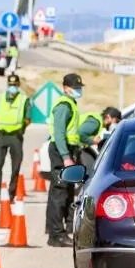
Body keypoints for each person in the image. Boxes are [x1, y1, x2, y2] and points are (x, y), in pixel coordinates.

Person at [46, 73, 84, 247]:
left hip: (68, 150)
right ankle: (56, 235)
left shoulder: (71, 104)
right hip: (62, 151)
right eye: (75, 88)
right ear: (65, 88)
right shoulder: (64, 106)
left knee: (65, 191)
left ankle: (60, 230)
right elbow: (60, 134)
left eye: (79, 88)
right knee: (59, 192)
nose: (78, 90)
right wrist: (66, 157)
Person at [0, 74, 31, 203]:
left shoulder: (24, 100)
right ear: (7, 85)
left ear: (18, 86)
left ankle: (11, 194)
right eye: (10, 85)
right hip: (1, 135)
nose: (12, 87)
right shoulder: (0, 97)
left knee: (16, 166)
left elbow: (28, 118)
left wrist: (20, 128)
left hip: (16, 136)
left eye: (15, 85)